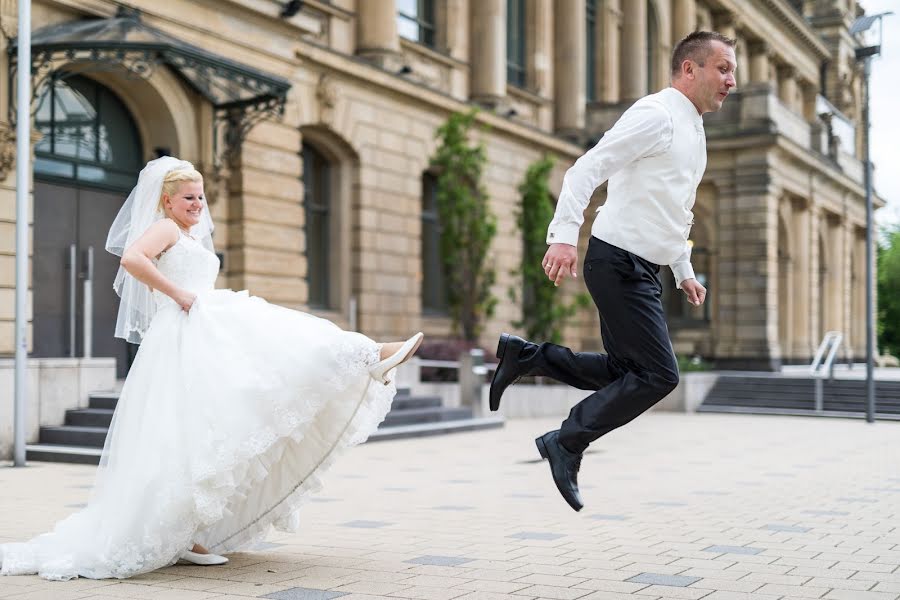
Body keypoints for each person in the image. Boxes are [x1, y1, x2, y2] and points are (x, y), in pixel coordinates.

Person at [0, 156, 423, 580]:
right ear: (167, 201)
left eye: (201, 196)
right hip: (187, 327)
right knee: (251, 367)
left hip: (204, 324)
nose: (198, 203)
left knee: (219, 412)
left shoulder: (188, 235)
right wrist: (179, 295)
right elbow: (132, 259)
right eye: (188, 197)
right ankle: (370, 355)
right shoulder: (165, 228)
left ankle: (369, 355)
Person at [489, 32, 737, 512]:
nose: (731, 81)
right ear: (690, 69)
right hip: (617, 258)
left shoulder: (694, 128)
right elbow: (586, 168)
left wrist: (684, 269)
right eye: (723, 69)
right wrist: (561, 235)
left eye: (732, 72)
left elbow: (675, 208)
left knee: (628, 372)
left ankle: (527, 357)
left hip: (640, 264)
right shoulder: (657, 115)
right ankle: (566, 441)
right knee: (661, 375)